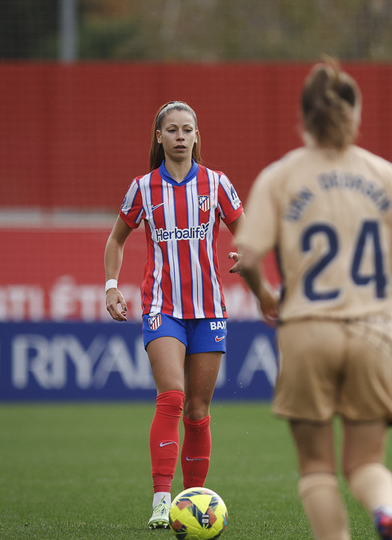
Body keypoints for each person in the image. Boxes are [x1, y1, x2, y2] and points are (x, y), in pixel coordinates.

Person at [233, 59, 392, 540]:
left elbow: (248, 254)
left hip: (307, 329)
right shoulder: (383, 173)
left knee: (317, 467)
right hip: (375, 331)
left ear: (302, 118)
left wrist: (264, 295)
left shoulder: (280, 176)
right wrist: (386, 297)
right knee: (366, 462)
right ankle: (384, 512)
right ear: (355, 114)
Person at [103, 101, 244, 529]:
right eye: (172, 130)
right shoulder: (142, 189)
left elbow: (247, 230)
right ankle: (162, 500)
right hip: (162, 308)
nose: (181, 136)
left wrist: (248, 254)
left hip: (209, 310)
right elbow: (116, 239)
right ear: (159, 137)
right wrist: (111, 286)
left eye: (188, 129)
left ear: (197, 136)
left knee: (197, 411)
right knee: (173, 396)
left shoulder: (217, 183)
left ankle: (193, 501)